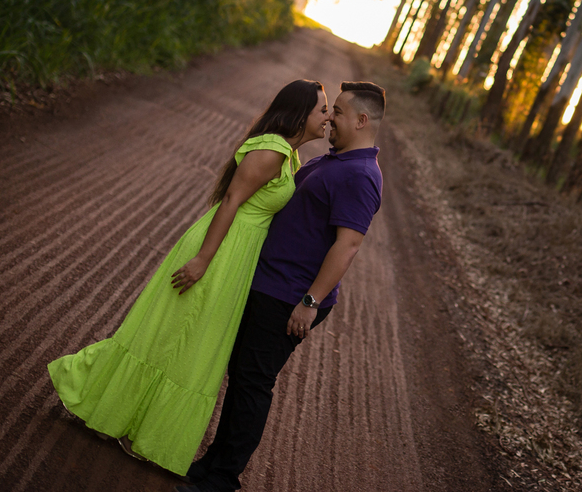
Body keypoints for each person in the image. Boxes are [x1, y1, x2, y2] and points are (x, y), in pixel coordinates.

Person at [48, 79, 330, 475]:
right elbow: (231, 200)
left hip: (238, 255)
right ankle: (103, 407)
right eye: (322, 109)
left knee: (191, 343)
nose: (328, 116)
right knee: (169, 332)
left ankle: (141, 427)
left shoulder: (289, 156)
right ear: (301, 114)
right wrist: (203, 259)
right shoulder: (272, 149)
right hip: (221, 249)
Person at [179, 81, 385, 492]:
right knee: (242, 378)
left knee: (253, 383)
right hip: (272, 285)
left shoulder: (360, 176)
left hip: (290, 295)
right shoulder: (335, 161)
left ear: (362, 120)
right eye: (329, 111)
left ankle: (221, 479)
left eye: (339, 113)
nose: (330, 119)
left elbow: (349, 244)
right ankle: (210, 465)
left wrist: (310, 301)